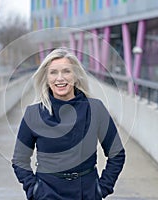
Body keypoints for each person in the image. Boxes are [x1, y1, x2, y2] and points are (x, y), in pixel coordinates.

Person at [12, 48, 125, 200]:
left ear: (76, 76)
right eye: (53, 72)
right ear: (46, 77)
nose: (60, 78)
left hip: (86, 192)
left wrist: (102, 188)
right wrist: (34, 190)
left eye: (66, 71)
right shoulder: (33, 114)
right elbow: (20, 159)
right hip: (47, 192)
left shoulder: (95, 109)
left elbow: (117, 153)